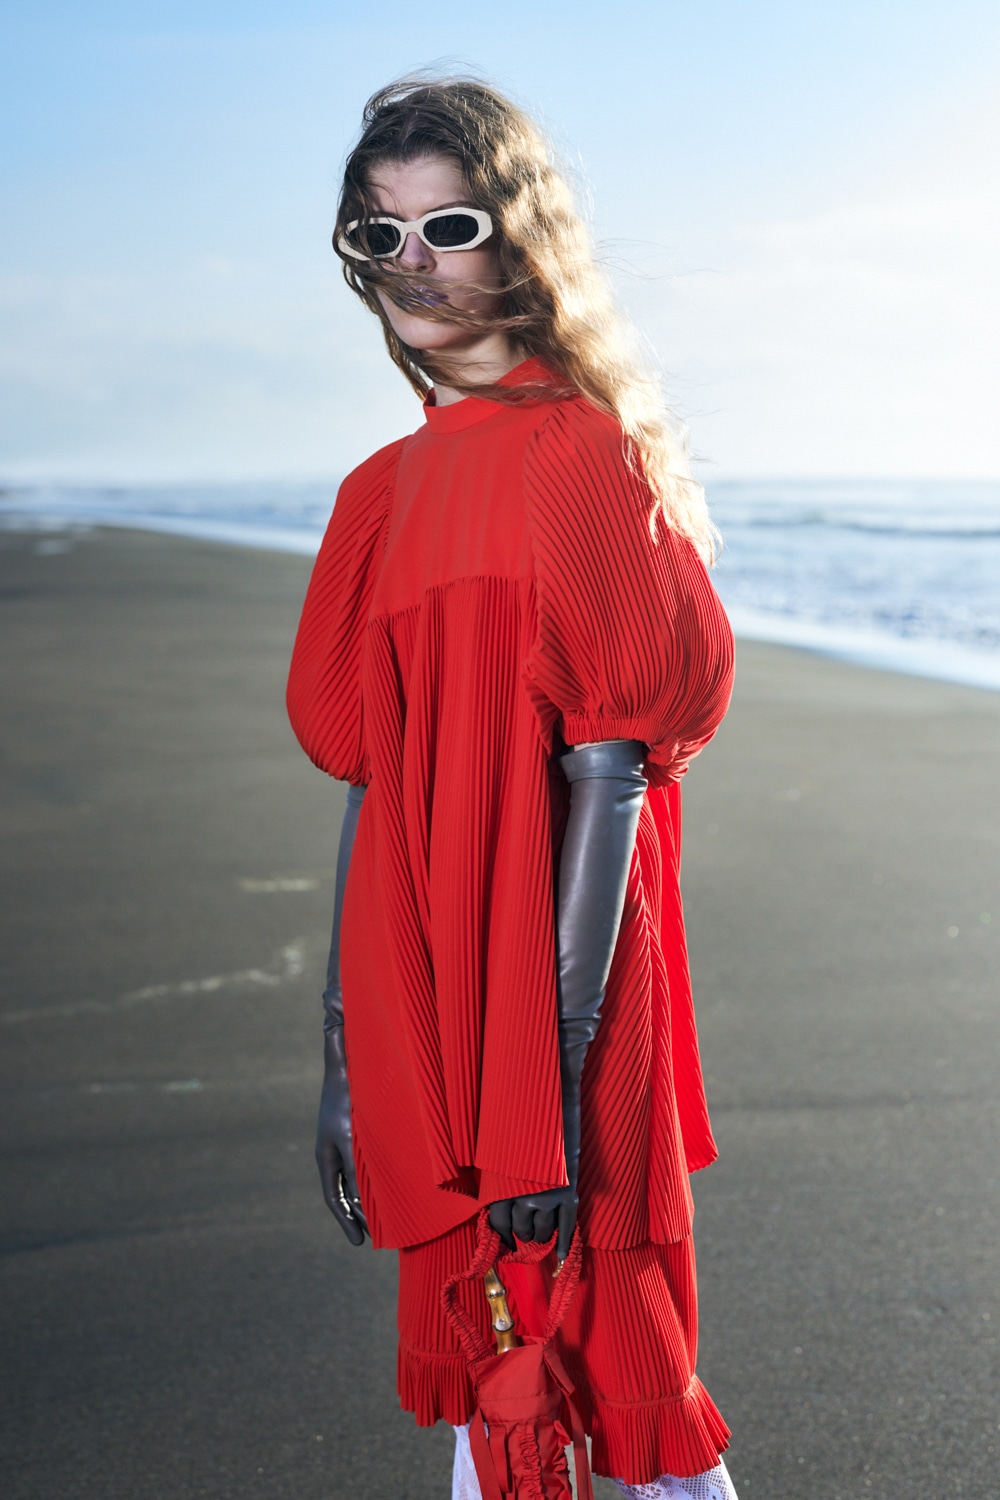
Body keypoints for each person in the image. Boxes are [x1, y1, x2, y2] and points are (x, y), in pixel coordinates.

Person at [286, 75, 738, 1500]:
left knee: (615, 1359)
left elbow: (612, 780)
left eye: (451, 225)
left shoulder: (581, 456)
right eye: (381, 234)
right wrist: (345, 1060)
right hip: (419, 997)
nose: (413, 262)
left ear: (522, 237)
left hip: (555, 1007)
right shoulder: (375, 496)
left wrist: (545, 1085)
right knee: (490, 1372)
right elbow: (373, 788)